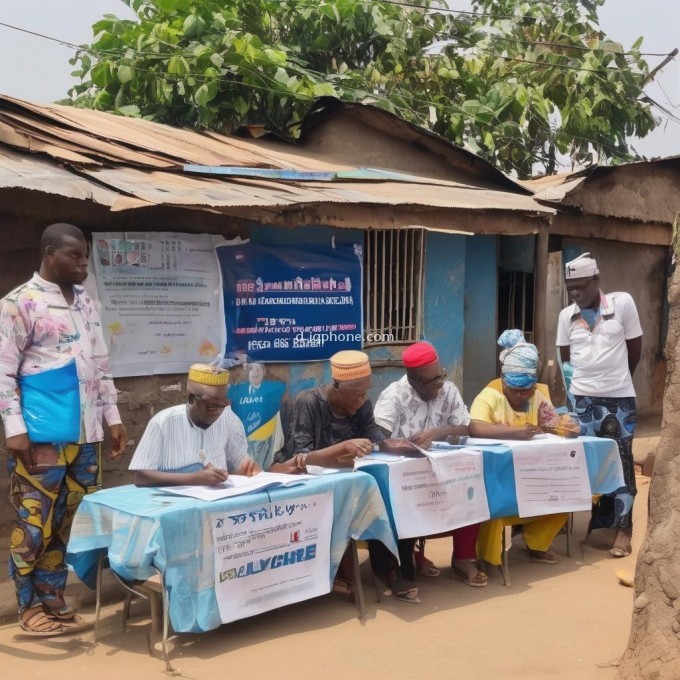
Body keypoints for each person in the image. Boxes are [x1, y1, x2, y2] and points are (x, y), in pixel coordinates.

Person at [0, 223, 127, 636]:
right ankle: (27, 604)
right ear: (49, 253)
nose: (83, 264)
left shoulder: (89, 304)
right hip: (42, 438)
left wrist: (113, 419)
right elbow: (3, 373)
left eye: (86, 256)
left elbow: (101, 367)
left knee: (68, 522)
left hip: (86, 437)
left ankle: (52, 593)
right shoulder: (19, 304)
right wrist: (14, 428)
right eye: (75, 256)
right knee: (33, 523)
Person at [374, 341, 487, 588]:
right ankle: (415, 555)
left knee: (471, 487)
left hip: (445, 468)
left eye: (441, 376)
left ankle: (463, 558)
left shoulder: (448, 389)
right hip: (406, 472)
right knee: (413, 497)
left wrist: (436, 433)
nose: (440, 384)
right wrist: (409, 447)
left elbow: (464, 425)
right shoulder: (394, 395)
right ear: (413, 381)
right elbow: (378, 437)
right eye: (433, 382)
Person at [469, 329, 579, 568]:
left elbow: (552, 424)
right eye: (514, 389)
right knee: (496, 504)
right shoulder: (489, 394)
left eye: (526, 390)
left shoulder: (537, 395)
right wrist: (513, 432)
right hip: (497, 472)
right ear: (504, 381)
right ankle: (489, 557)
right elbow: (475, 428)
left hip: (532, 469)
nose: (520, 395)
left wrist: (566, 427)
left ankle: (537, 543)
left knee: (568, 495)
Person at [557, 252, 642, 558]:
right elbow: (565, 360)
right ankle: (581, 523)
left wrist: (615, 383)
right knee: (580, 460)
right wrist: (578, 395)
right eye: (571, 288)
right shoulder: (566, 316)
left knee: (620, 464)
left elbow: (635, 350)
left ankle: (623, 529)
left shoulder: (622, 305)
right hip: (581, 401)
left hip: (618, 400)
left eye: (581, 286)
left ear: (596, 280)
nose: (576, 293)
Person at [129, 363, 260, 486]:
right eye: (211, 406)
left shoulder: (228, 418)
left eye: (223, 405)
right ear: (191, 397)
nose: (218, 412)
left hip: (216, 503)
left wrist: (247, 468)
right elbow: (141, 477)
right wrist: (195, 478)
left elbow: (239, 464)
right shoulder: (162, 423)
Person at [271, 350, 385, 473]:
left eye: (366, 392)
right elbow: (300, 460)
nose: (363, 400)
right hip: (299, 479)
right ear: (336, 385)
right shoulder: (308, 402)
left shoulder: (363, 404)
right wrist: (344, 448)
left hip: (345, 475)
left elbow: (375, 438)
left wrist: (390, 444)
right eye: (357, 395)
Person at [228, 362, 286, 470]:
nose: (255, 372)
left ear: (263, 373)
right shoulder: (238, 390)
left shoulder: (271, 387)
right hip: (243, 439)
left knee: (263, 469)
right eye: (252, 369)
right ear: (248, 373)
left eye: (258, 369)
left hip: (265, 438)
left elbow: (282, 387)